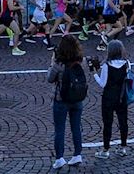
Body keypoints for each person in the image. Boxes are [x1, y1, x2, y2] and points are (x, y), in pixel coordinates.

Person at [47, 33, 86, 168]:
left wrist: (52, 63)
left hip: (61, 99)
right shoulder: (81, 61)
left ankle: (59, 158)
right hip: (77, 98)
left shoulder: (59, 64)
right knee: (76, 127)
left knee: (59, 129)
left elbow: (50, 78)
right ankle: (77, 154)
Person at [90, 39, 131, 158]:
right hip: (122, 96)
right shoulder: (127, 63)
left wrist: (94, 73)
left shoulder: (106, 65)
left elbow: (102, 83)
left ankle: (106, 149)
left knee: (107, 123)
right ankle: (123, 147)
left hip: (108, 97)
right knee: (123, 122)